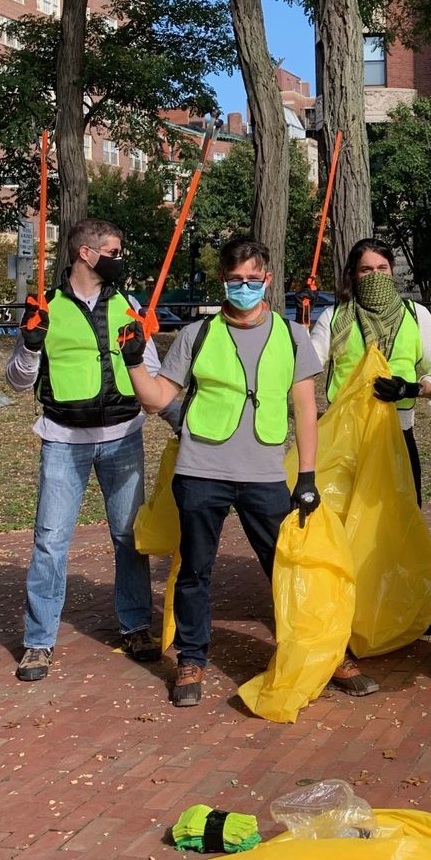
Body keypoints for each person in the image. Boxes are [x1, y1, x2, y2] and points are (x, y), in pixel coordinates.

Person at [120, 237, 324, 709]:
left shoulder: (293, 336)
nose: (246, 288)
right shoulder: (197, 335)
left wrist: (307, 477)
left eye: (254, 279)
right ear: (222, 281)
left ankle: (312, 651)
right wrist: (132, 361)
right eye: (236, 280)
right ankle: (191, 658)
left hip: (266, 473)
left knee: (285, 568)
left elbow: (307, 410)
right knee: (194, 569)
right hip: (201, 469)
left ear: (269, 281)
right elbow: (157, 400)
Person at [6, 218, 171, 684]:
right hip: (63, 441)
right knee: (50, 542)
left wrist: (140, 353)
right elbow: (17, 381)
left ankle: (136, 625)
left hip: (123, 436)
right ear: (85, 253)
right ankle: (38, 642)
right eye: (114, 251)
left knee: (127, 537)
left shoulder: (130, 305)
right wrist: (31, 347)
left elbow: (152, 373)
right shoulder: (46, 308)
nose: (121, 259)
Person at [310, 238, 431, 507]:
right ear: (353, 274)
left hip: (398, 434)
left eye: (382, 268)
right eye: (366, 270)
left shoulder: (416, 315)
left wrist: (411, 388)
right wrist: (299, 333)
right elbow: (306, 366)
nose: (376, 275)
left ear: (392, 271)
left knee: (401, 520)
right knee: (341, 518)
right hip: (345, 438)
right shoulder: (333, 317)